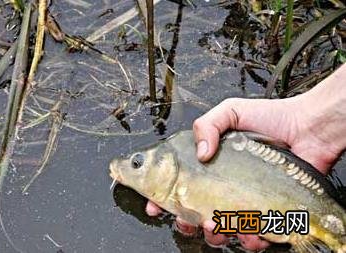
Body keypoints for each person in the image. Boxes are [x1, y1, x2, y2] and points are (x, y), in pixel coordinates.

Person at [146, 63, 346, 251]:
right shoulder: (182, 150)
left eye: (138, 163)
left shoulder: (183, 150)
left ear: (167, 165)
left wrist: (307, 122)